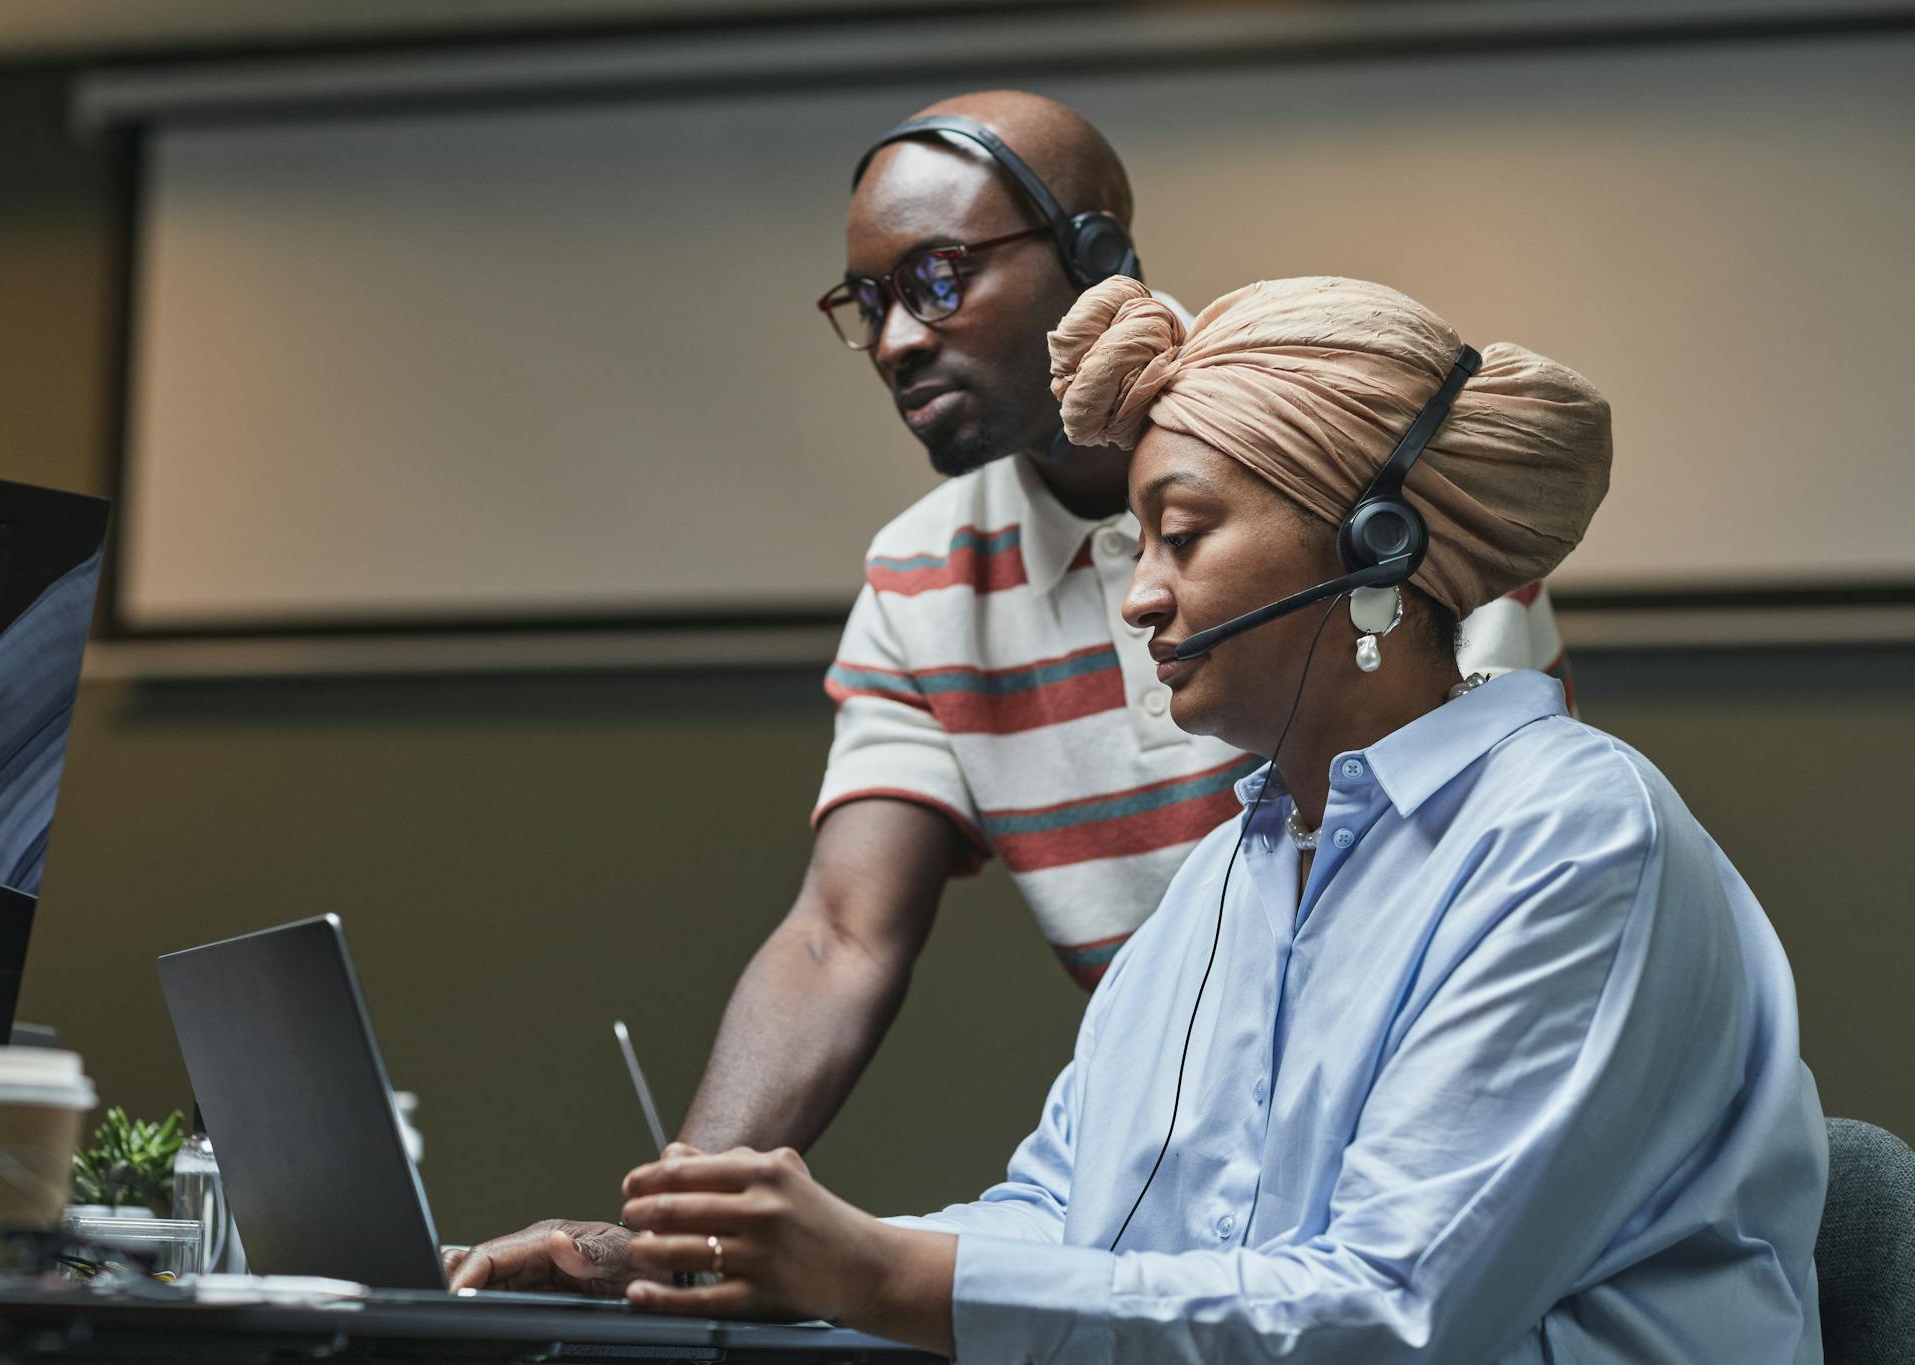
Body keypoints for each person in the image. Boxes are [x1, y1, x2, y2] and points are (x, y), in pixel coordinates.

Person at [448, 91, 1571, 1293]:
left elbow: (1472, 869)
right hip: (1177, 1206)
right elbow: (838, 937)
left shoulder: (1354, 472)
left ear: (1093, 259)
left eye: (936, 278)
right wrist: (683, 1235)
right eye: (867, 303)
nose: (893, 341)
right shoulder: (924, 579)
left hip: (1405, 1171)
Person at [603, 275, 1827, 1363]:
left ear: (1373, 543)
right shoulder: (1228, 877)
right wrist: (755, 1267)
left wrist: (876, 1276)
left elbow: (1386, 1317)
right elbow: (1061, 1222)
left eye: (1180, 536)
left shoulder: (1571, 837)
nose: (1138, 595)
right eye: (1139, 542)